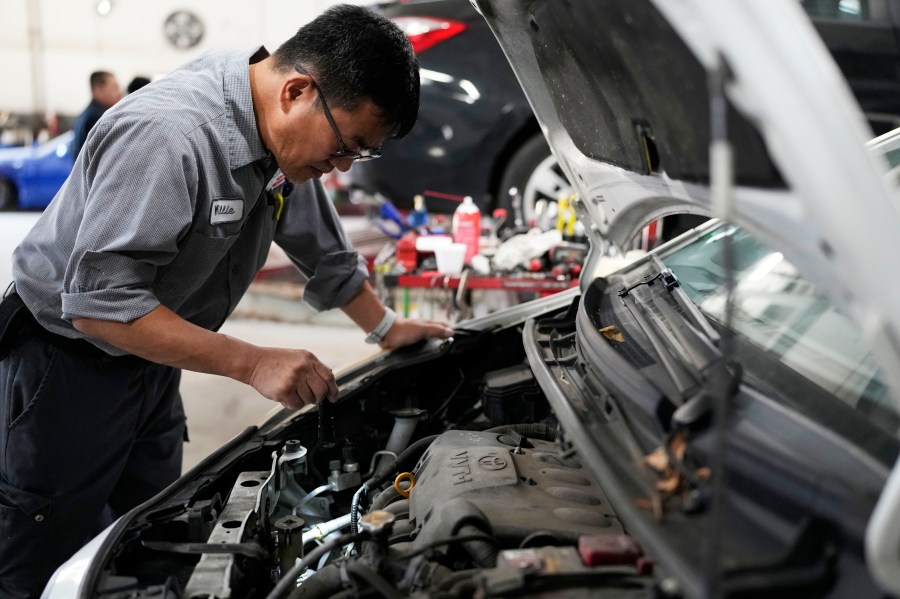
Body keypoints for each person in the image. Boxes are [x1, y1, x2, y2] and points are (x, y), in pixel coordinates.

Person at [0, 4, 453, 596]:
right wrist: (252, 361)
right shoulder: (172, 138)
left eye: (361, 155)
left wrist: (385, 326)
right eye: (348, 146)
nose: (343, 167)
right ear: (297, 90)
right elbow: (98, 303)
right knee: (41, 552)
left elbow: (322, 247)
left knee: (148, 531)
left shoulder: (276, 125)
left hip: (156, 354)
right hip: (65, 366)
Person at [70, 70, 122, 158]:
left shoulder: (85, 115)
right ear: (98, 89)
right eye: (115, 87)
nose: (120, 92)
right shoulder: (97, 117)